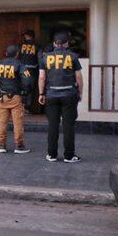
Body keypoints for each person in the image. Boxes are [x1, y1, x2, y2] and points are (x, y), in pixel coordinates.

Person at [38, 32, 83, 163]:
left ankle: (51, 155)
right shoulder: (73, 56)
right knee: (69, 126)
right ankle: (69, 156)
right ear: (67, 44)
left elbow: (42, 77)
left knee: (53, 125)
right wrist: (79, 93)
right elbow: (79, 77)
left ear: (54, 44)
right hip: (69, 95)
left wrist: (41, 94)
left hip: (51, 95)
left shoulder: (45, 57)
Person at [0, 45, 31, 154]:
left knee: (2, 122)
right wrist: (25, 92)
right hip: (15, 97)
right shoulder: (20, 64)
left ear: (6, 53)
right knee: (17, 122)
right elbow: (27, 80)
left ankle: (1, 145)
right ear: (17, 54)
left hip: (2, 97)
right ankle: (19, 146)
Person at [20, 30, 40, 113]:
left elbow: (15, 56)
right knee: (29, 90)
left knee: (21, 89)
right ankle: (26, 108)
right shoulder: (37, 46)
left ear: (26, 36)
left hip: (21, 71)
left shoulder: (20, 46)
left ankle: (20, 108)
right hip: (32, 71)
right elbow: (40, 58)